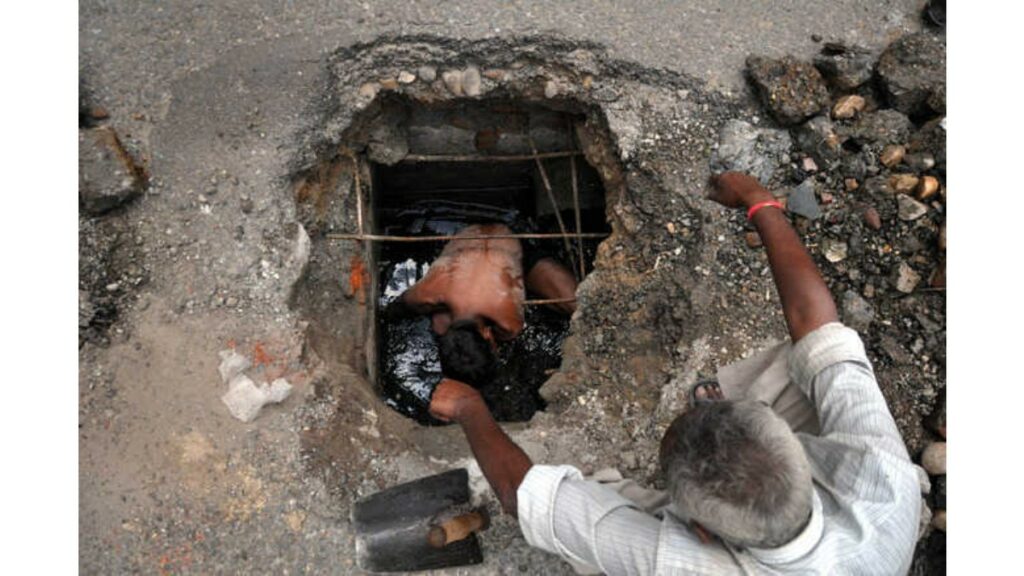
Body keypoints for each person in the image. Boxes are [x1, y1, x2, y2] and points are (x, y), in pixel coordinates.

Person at [426, 172, 921, 574]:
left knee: (595, 530)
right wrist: (758, 202)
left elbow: (524, 497)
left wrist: (471, 407)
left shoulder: (683, 563)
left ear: (700, 532)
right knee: (810, 360)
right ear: (795, 452)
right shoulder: (883, 478)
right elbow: (816, 324)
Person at [391, 222, 578, 385]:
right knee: (440, 320)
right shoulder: (429, 294)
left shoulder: (508, 325)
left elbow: (396, 307)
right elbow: (399, 306)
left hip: (513, 247)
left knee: (578, 305)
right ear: (487, 333)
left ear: (488, 333)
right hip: (469, 243)